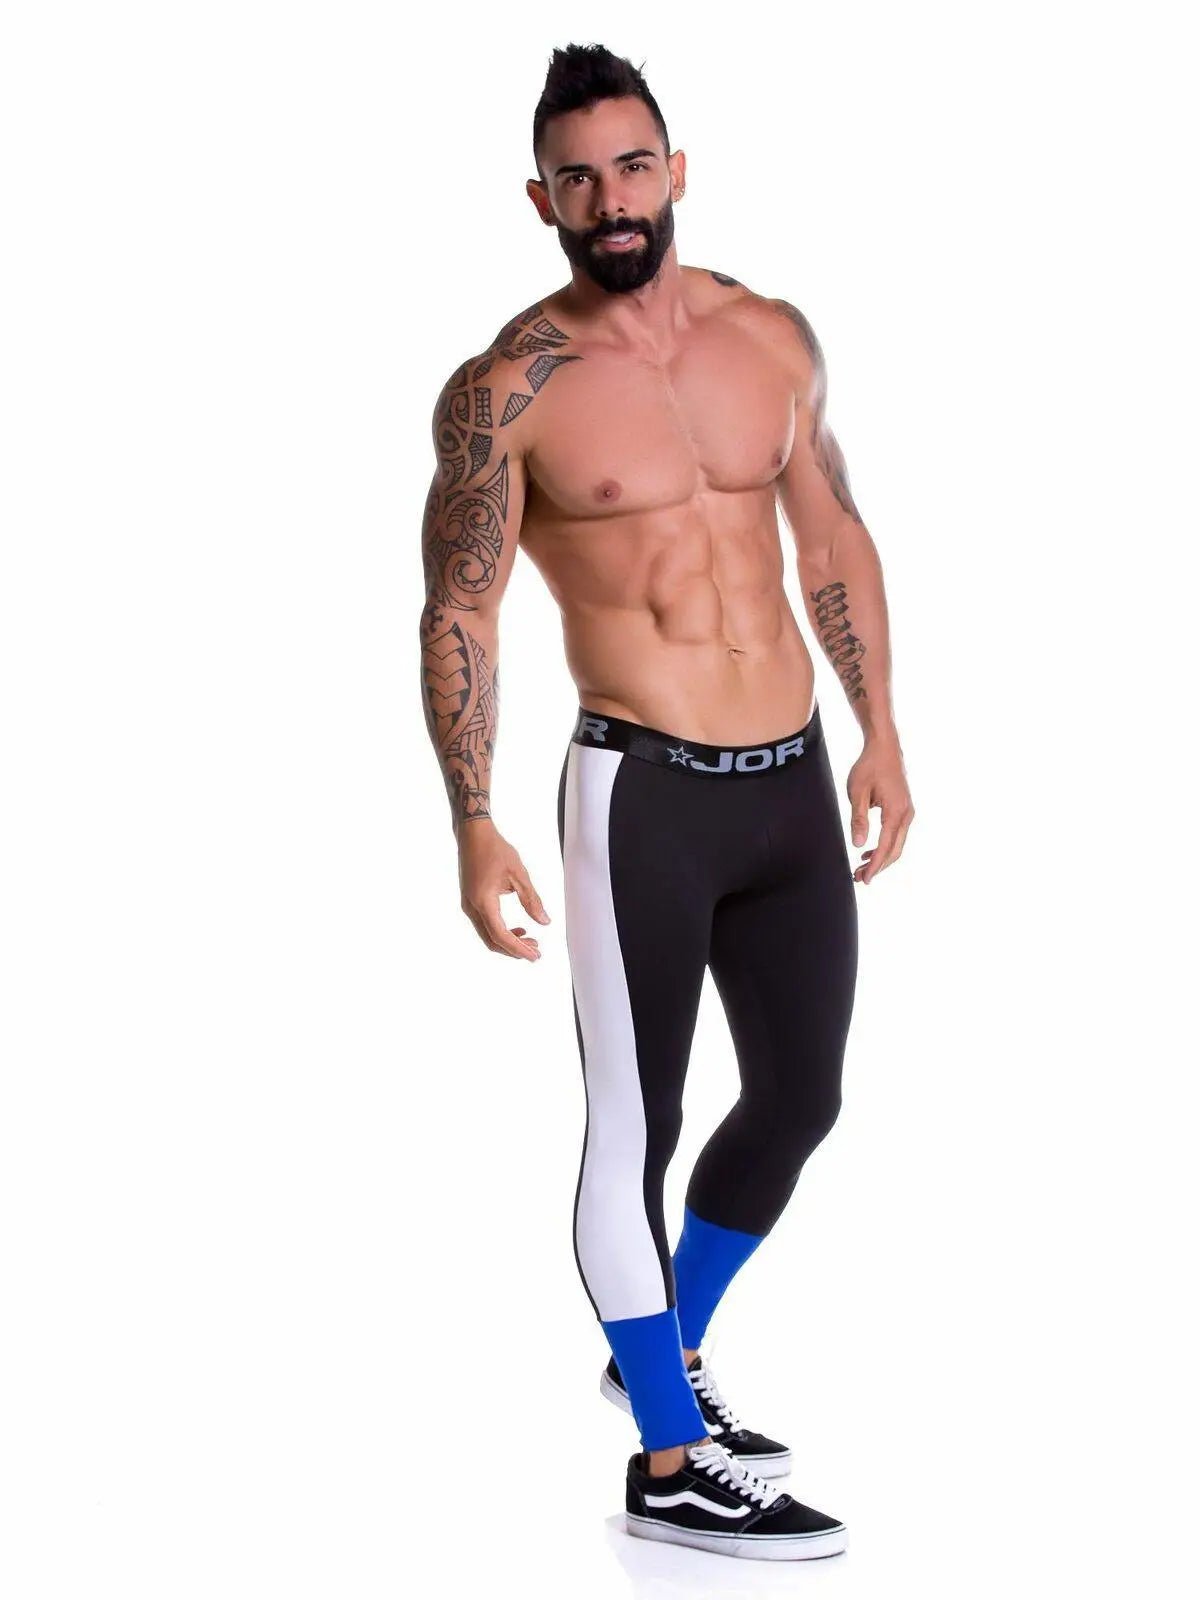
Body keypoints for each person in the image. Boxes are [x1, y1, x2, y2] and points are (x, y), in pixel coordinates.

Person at [419, 42, 914, 1562]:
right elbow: (462, 608)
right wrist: (474, 817)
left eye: (633, 167)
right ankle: (668, 1459)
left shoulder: (768, 338)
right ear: (541, 199)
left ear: (676, 170)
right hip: (641, 796)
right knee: (635, 1126)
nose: (610, 199)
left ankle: (660, 1350)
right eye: (577, 178)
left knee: (803, 1097)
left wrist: (882, 730)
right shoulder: (506, 392)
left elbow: (831, 536)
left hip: (787, 782)